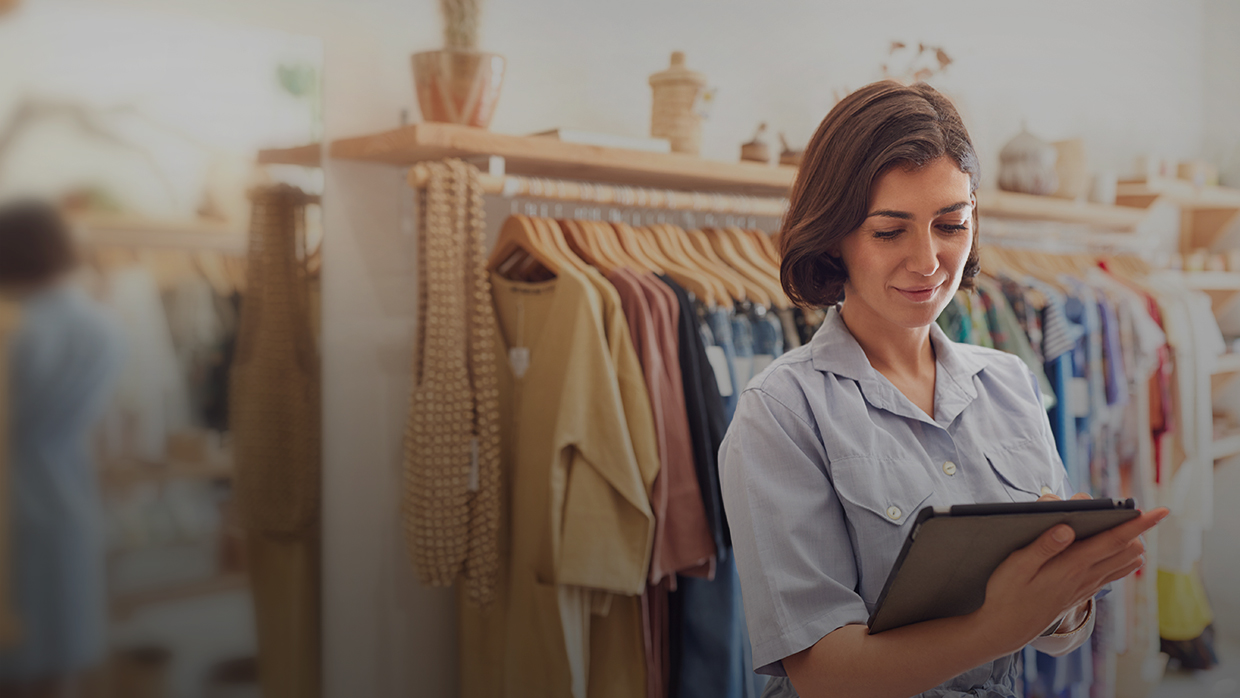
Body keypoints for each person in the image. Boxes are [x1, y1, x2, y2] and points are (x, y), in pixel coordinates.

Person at [718, 81, 1168, 698]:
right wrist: (996, 624)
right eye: (889, 231)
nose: (928, 261)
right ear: (834, 236)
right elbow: (823, 674)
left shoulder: (1010, 381)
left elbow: (1056, 633)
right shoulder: (781, 413)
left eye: (950, 224)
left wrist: (1064, 594)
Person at [0, 200, 123, 698]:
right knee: (62, 653)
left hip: (12, 500)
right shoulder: (103, 325)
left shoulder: (15, 327)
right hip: (70, 494)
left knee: (15, 659)